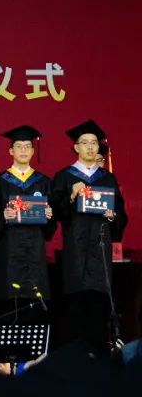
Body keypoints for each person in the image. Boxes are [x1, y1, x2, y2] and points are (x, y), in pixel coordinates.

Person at [51, 119, 128, 355]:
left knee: (98, 307)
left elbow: (120, 215)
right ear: (76, 147)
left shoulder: (107, 178)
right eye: (85, 143)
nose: (91, 147)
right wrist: (71, 197)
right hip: (75, 252)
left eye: (94, 143)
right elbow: (54, 213)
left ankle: (99, 359)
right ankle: (76, 359)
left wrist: (113, 216)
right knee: (75, 307)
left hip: (100, 252)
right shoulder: (64, 177)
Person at [0, 125, 56, 319]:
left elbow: (50, 227)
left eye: (27, 147)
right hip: (9, 253)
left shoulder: (43, 182)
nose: (23, 150)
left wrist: (50, 215)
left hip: (35, 253)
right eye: (19, 146)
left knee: (35, 302)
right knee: (10, 303)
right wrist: (2, 216)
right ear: (11, 151)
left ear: (33, 151)